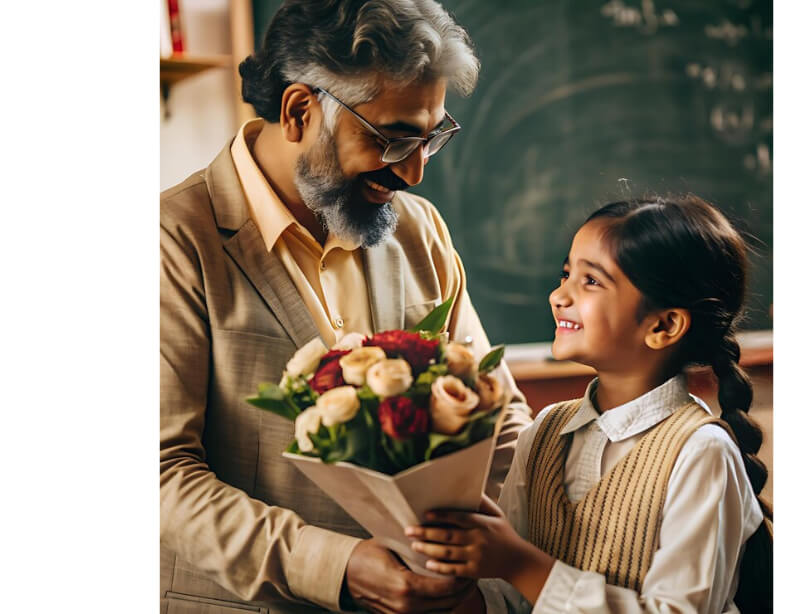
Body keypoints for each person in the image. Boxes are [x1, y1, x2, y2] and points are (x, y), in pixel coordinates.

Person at [159, 1, 532, 613]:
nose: (413, 171)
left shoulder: (419, 230)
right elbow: (161, 476)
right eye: (391, 138)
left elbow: (500, 417)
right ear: (300, 111)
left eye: (431, 136)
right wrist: (338, 566)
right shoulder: (173, 240)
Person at [405, 195, 773, 613]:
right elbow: (507, 599)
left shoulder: (701, 451)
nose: (560, 295)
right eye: (566, 274)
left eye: (591, 281)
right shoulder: (543, 432)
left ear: (664, 325)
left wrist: (519, 563)